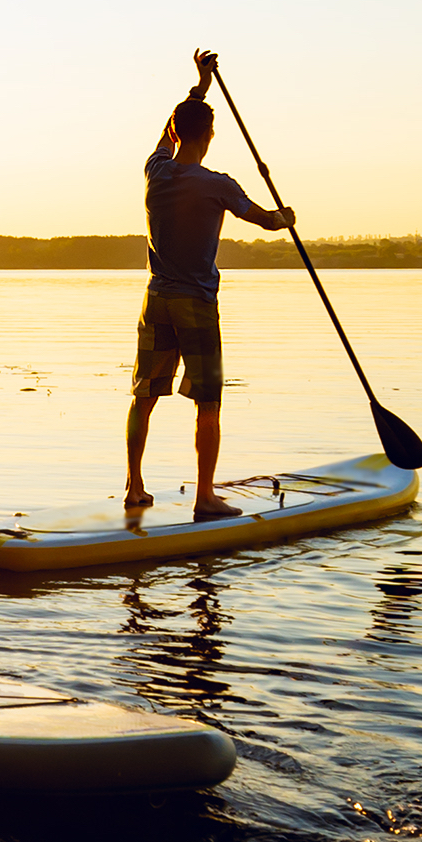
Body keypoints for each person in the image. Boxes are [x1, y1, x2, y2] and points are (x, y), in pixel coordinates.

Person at [126, 49, 293, 518]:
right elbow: (265, 220)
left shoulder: (155, 171)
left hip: (155, 300)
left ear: (177, 132)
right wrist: (286, 218)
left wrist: (200, 86)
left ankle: (134, 488)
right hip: (196, 303)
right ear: (211, 136)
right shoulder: (218, 183)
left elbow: (166, 132)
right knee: (209, 401)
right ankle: (204, 497)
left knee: (145, 395)